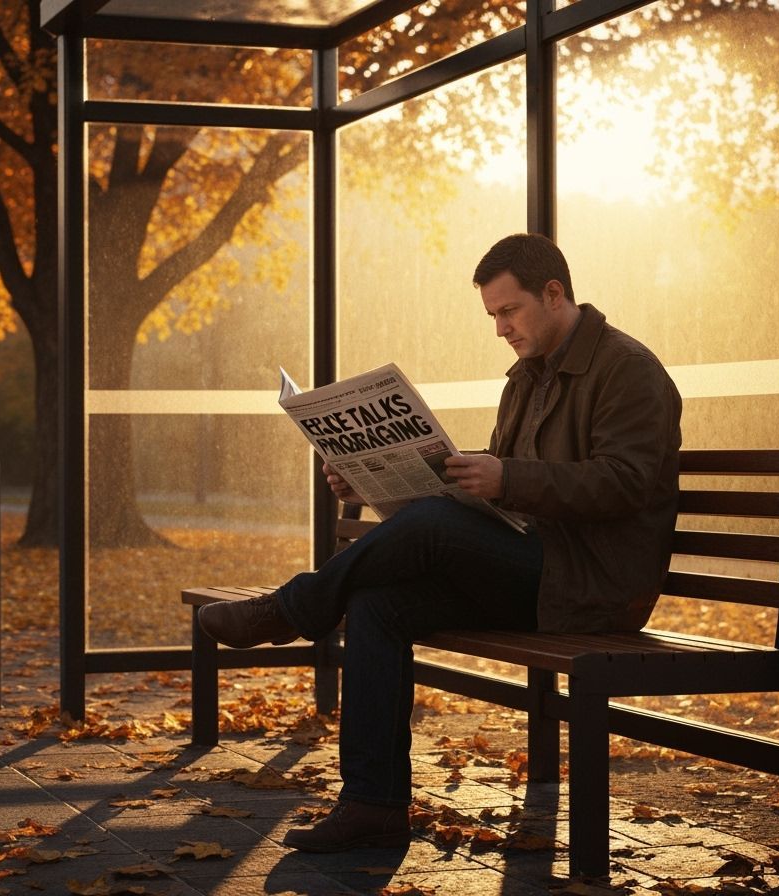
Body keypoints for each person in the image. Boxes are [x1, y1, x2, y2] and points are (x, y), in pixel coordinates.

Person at [198, 233, 683, 853]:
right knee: (378, 604)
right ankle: (373, 805)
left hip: (592, 585)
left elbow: (629, 481)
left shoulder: (627, 370)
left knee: (430, 525)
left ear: (554, 293)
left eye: (509, 311)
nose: (501, 328)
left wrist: (507, 477)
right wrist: (370, 476)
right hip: (530, 568)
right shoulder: (525, 381)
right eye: (493, 316)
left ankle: (295, 608)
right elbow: (491, 495)